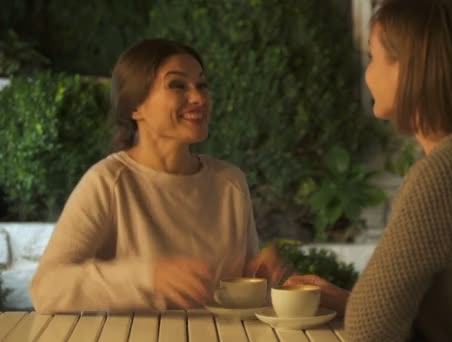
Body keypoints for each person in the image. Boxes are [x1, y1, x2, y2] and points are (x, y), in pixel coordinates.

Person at [285, 0, 452, 341]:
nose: (368, 74)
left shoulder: (450, 172)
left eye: (372, 57)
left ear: (408, 67)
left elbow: (368, 331)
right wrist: (346, 301)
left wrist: (356, 310)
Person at [30, 39, 286, 313]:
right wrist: (147, 278)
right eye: (178, 85)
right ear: (135, 107)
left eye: (202, 85)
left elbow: (241, 288)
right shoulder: (109, 182)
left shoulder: (230, 183)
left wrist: (259, 276)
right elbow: (46, 289)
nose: (199, 98)